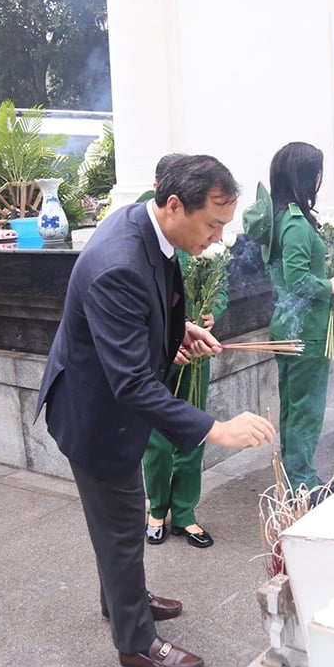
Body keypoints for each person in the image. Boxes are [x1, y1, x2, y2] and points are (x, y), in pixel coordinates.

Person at [36, 154, 276, 667]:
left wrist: (177, 332)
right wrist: (215, 428)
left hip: (107, 399)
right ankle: (135, 641)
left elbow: (153, 302)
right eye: (213, 223)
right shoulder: (118, 262)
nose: (217, 237)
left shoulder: (148, 227)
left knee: (116, 522)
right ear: (174, 204)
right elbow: (130, 383)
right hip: (96, 414)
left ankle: (122, 599)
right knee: (122, 527)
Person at [142, 154, 226, 550]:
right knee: (157, 438)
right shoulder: (147, 234)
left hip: (195, 349)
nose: (216, 235)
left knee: (194, 428)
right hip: (160, 357)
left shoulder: (202, 234)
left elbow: (220, 283)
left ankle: (186, 513)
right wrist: (165, 340)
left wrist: (212, 313)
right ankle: (156, 509)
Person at [264, 142, 334, 500]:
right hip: (307, 330)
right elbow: (298, 279)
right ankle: (304, 485)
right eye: (318, 172)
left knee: (293, 409)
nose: (321, 179)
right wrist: (332, 284)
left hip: (288, 325)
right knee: (306, 412)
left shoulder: (281, 217)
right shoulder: (297, 223)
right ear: (308, 177)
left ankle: (294, 477)